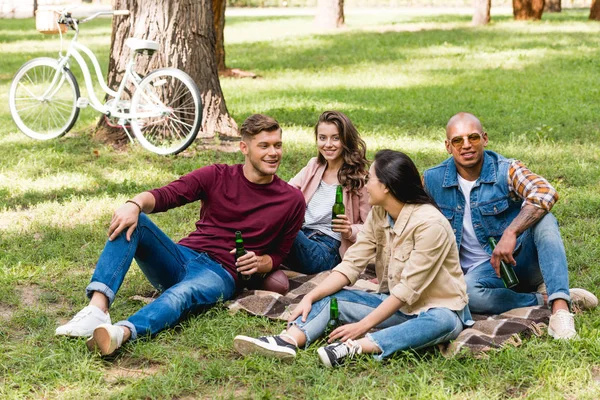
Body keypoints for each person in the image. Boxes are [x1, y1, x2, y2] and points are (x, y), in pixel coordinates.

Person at [55, 114, 306, 355]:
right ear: (244, 147)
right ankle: (97, 309)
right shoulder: (216, 175)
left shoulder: (291, 200)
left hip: (220, 273)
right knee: (136, 220)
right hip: (182, 255)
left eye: (278, 145)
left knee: (182, 294)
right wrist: (134, 203)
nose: (273, 153)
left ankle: (121, 332)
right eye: (264, 145)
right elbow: (168, 195)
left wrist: (261, 262)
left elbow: (280, 253)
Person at [233, 150, 472, 367]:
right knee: (331, 297)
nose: (366, 185)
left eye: (370, 179)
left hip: (436, 309)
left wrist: (362, 326)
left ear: (387, 186)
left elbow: (406, 290)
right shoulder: (381, 213)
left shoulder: (430, 224)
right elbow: (352, 263)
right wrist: (311, 296)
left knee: (443, 322)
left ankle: (355, 347)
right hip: (395, 306)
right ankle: (287, 341)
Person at [423, 112, 598, 340]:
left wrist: (511, 231)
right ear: (448, 146)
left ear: (485, 138)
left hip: (520, 258)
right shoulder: (433, 180)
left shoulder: (506, 169)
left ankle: (561, 311)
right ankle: (547, 299)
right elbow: (412, 220)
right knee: (466, 292)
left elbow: (545, 192)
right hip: (482, 276)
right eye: (458, 140)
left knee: (545, 219)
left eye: (473, 138)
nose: (466, 145)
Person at [286, 111, 370, 274]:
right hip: (303, 236)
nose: (328, 144)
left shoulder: (359, 179)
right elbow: (287, 193)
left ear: (346, 140)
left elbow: (372, 227)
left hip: (327, 250)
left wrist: (349, 230)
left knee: (282, 227)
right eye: (322, 137)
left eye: (336, 138)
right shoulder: (314, 166)